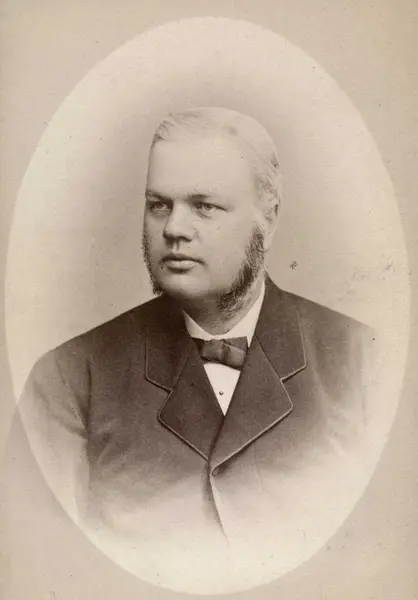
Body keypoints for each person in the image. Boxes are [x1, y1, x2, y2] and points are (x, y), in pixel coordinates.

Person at [18, 107, 377, 591]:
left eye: (204, 206)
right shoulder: (68, 379)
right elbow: (39, 572)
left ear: (269, 218)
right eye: (158, 204)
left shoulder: (365, 363)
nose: (174, 228)